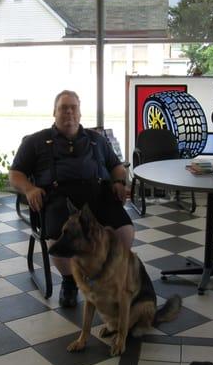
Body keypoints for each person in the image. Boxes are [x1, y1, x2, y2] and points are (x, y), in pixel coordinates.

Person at [9, 90, 134, 307]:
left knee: (125, 230)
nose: (69, 112)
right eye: (63, 108)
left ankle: (109, 275)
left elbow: (116, 166)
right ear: (54, 112)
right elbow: (15, 174)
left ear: (80, 112)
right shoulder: (36, 141)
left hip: (98, 194)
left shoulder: (96, 140)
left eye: (73, 108)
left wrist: (119, 183)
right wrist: (29, 189)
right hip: (58, 197)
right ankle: (69, 282)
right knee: (60, 237)